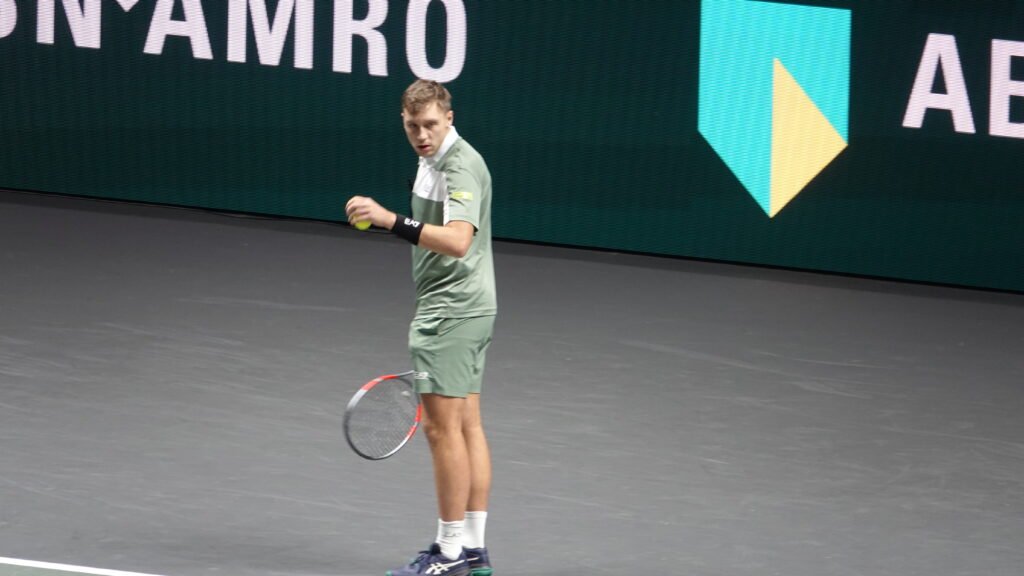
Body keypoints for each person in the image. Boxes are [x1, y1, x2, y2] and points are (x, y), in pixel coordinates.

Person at [345, 79, 497, 576]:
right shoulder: (430, 160)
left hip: (451, 312)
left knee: (441, 431)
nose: (422, 135)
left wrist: (390, 221)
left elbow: (457, 242)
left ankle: (448, 555)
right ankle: (472, 551)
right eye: (413, 126)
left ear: (449, 118)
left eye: (430, 124)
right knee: (467, 426)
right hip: (465, 306)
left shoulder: (461, 165)